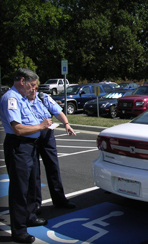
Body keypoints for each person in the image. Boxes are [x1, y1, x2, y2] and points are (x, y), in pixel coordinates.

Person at [0, 68, 52, 243]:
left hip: (30, 146)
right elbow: (18, 129)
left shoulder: (22, 98)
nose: (34, 89)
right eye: (32, 85)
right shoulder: (11, 98)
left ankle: (29, 216)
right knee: (19, 189)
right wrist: (41, 126)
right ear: (22, 81)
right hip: (19, 146)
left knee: (31, 184)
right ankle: (19, 230)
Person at [27, 83, 76, 214]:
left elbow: (57, 111)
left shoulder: (43, 97)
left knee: (53, 167)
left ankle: (60, 199)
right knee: (34, 172)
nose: (33, 90)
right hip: (31, 136)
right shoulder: (22, 100)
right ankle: (36, 204)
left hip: (47, 135)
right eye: (31, 87)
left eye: (36, 88)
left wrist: (66, 124)